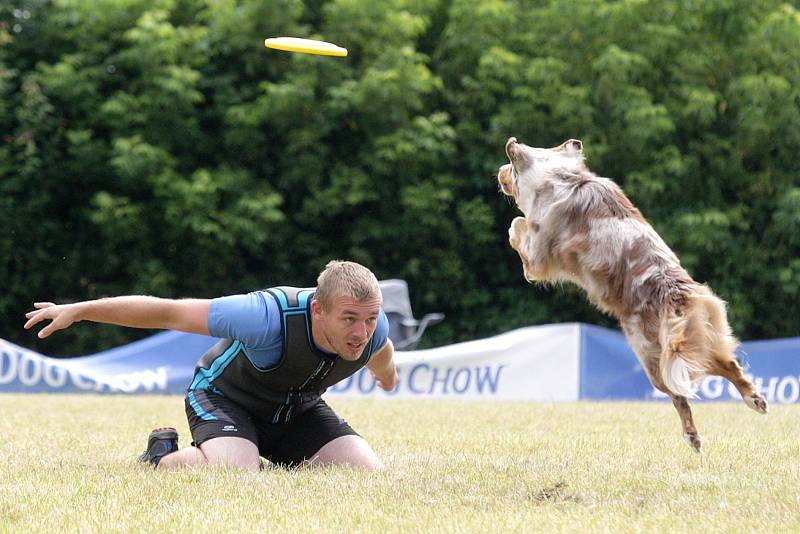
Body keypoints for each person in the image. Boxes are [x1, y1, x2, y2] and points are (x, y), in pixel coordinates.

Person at [24, 260, 397, 472]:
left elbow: (383, 355)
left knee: (367, 475)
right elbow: (168, 311)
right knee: (237, 477)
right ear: (318, 309)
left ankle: (248, 455)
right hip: (223, 399)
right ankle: (162, 457)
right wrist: (81, 310)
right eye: (349, 319)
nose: (361, 332)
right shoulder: (265, 317)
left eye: (369, 319)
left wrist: (387, 377)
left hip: (296, 412)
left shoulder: (373, 329)